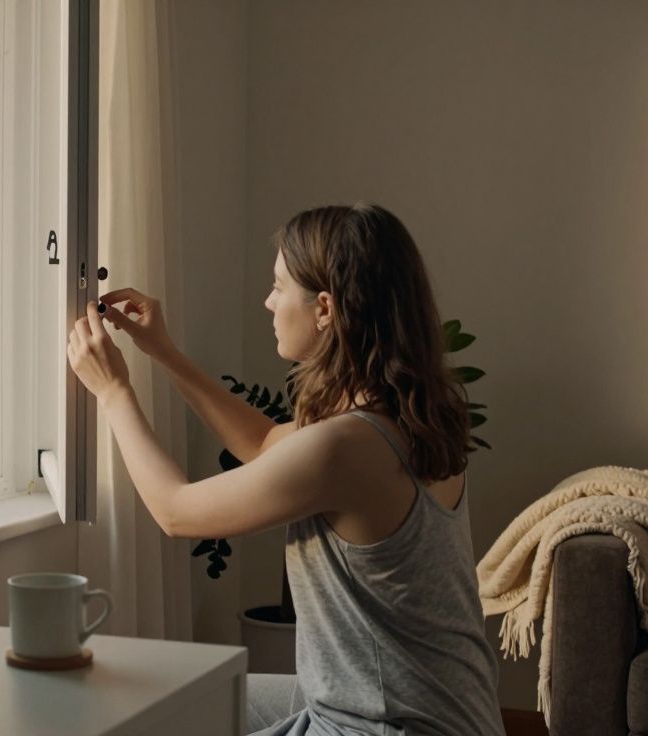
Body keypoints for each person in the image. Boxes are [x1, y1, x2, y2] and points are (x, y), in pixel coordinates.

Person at [66, 202, 504, 736]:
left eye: (279, 286)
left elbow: (176, 513)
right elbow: (265, 442)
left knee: (152, 716)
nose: (268, 301)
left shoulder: (346, 446)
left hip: (382, 726)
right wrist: (165, 354)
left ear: (325, 308)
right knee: (180, 698)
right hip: (441, 715)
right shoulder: (402, 417)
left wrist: (114, 392)